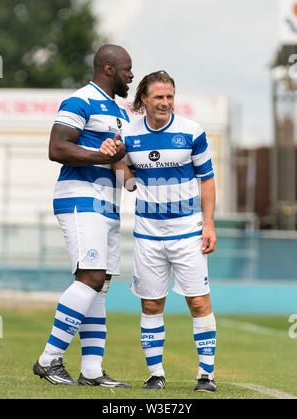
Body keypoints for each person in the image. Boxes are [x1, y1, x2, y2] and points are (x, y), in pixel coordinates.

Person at [101, 70, 217, 392]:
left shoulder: (192, 132)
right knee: (151, 305)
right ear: (144, 100)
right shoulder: (130, 133)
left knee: (198, 302)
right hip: (147, 234)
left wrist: (208, 224)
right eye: (159, 97)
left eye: (169, 97)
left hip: (187, 231)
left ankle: (206, 375)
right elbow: (120, 162)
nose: (165, 103)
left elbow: (207, 180)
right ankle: (155, 374)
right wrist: (127, 176)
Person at [33, 44, 134, 388]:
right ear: (108, 69)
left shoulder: (121, 112)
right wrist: (100, 155)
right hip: (80, 198)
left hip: (108, 204)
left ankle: (91, 371)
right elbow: (57, 148)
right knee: (89, 277)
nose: (131, 75)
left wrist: (140, 181)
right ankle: (48, 360)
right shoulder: (80, 100)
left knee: (100, 286)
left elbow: (120, 160)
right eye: (126, 69)